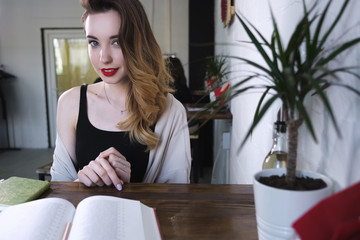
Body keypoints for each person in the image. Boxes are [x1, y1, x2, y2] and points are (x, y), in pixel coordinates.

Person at [50, 0, 191, 190]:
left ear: (139, 43)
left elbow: (177, 199)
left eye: (117, 42)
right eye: (94, 43)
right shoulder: (70, 102)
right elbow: (58, 189)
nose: (104, 58)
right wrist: (83, 181)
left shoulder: (171, 110)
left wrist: (129, 187)